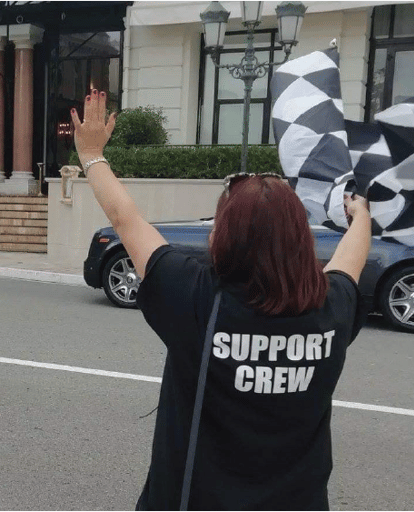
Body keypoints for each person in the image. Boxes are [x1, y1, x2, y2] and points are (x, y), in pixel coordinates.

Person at [71, 90, 372, 511]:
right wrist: (361, 216)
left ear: (227, 237)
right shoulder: (332, 308)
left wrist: (90, 153)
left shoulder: (194, 297)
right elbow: (350, 261)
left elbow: (126, 219)